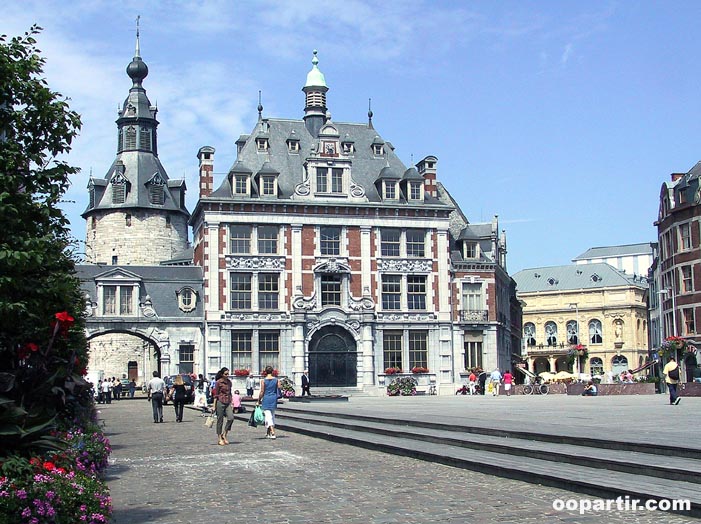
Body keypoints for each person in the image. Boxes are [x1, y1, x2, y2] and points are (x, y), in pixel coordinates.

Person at [213, 367, 234, 445]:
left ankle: (224, 434)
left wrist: (232, 402)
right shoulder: (218, 382)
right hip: (220, 401)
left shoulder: (229, 382)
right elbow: (216, 394)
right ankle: (219, 438)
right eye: (226, 374)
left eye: (228, 374)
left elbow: (230, 392)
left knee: (231, 418)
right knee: (220, 420)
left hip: (228, 401)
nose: (227, 375)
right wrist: (214, 405)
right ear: (222, 374)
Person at [257, 365, 279, 439]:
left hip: (266, 398)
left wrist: (259, 400)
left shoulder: (263, 380)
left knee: (268, 416)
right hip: (273, 398)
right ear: (272, 371)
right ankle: (268, 432)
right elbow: (279, 387)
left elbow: (262, 391)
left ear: (265, 372)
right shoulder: (276, 380)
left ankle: (272, 432)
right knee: (272, 415)